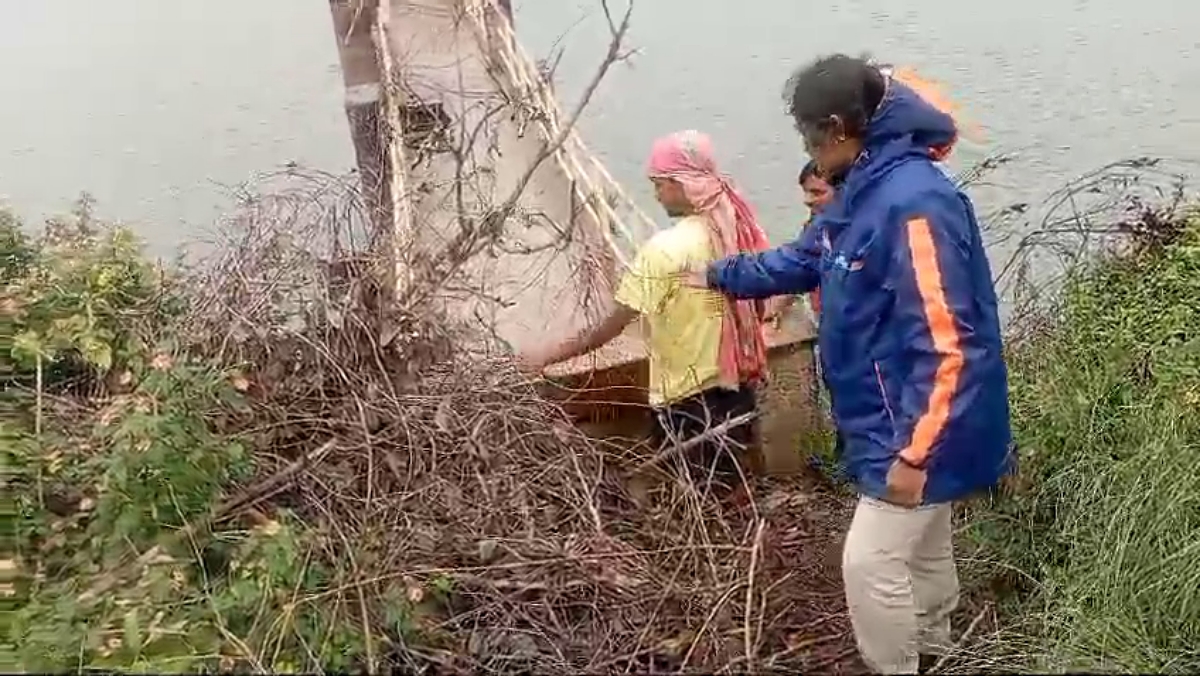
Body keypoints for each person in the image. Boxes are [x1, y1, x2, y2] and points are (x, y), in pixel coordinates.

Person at [687, 55, 1012, 674]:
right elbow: (806, 259)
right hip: (886, 412)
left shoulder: (914, 204)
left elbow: (949, 344)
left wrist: (916, 453)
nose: (806, 148)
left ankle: (898, 666)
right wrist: (715, 274)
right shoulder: (862, 188)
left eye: (808, 134)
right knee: (923, 544)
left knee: (870, 563)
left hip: (919, 423)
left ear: (837, 127)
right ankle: (940, 651)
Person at [519, 129, 771, 496]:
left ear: (678, 183)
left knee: (694, 499)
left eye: (659, 184)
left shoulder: (665, 250)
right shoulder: (737, 230)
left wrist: (548, 355)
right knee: (733, 489)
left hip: (688, 399)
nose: (655, 194)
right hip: (737, 388)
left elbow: (614, 325)